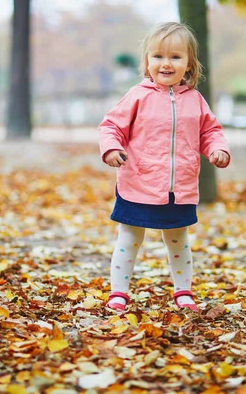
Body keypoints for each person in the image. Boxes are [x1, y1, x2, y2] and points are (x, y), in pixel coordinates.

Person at [98, 22, 231, 312]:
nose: (166, 63)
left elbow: (210, 132)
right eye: (158, 56)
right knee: (130, 237)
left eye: (175, 57)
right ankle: (118, 293)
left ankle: (183, 292)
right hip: (138, 183)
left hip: (179, 188)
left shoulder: (195, 101)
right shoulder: (138, 96)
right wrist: (111, 148)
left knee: (178, 240)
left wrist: (217, 149)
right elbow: (111, 126)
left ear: (189, 64)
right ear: (147, 62)